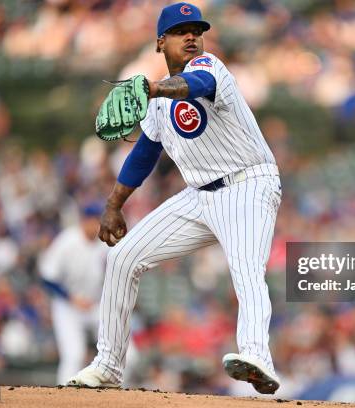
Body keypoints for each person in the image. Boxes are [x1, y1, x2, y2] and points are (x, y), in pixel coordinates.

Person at [67, 2, 282, 394]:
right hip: (199, 195)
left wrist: (150, 89)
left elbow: (194, 87)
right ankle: (108, 365)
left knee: (246, 267)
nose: (192, 37)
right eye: (182, 31)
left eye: (197, 31)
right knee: (122, 257)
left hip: (249, 183)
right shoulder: (158, 105)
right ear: (159, 43)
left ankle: (256, 356)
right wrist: (114, 205)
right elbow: (144, 155)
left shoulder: (209, 68)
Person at [39, 202, 108, 385]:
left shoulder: (105, 242)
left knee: (127, 353)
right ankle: (63, 397)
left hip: (95, 305)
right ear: (83, 221)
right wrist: (71, 298)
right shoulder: (67, 241)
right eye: (91, 221)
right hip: (68, 306)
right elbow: (46, 277)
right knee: (74, 355)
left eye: (98, 221)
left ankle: (120, 397)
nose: (95, 225)